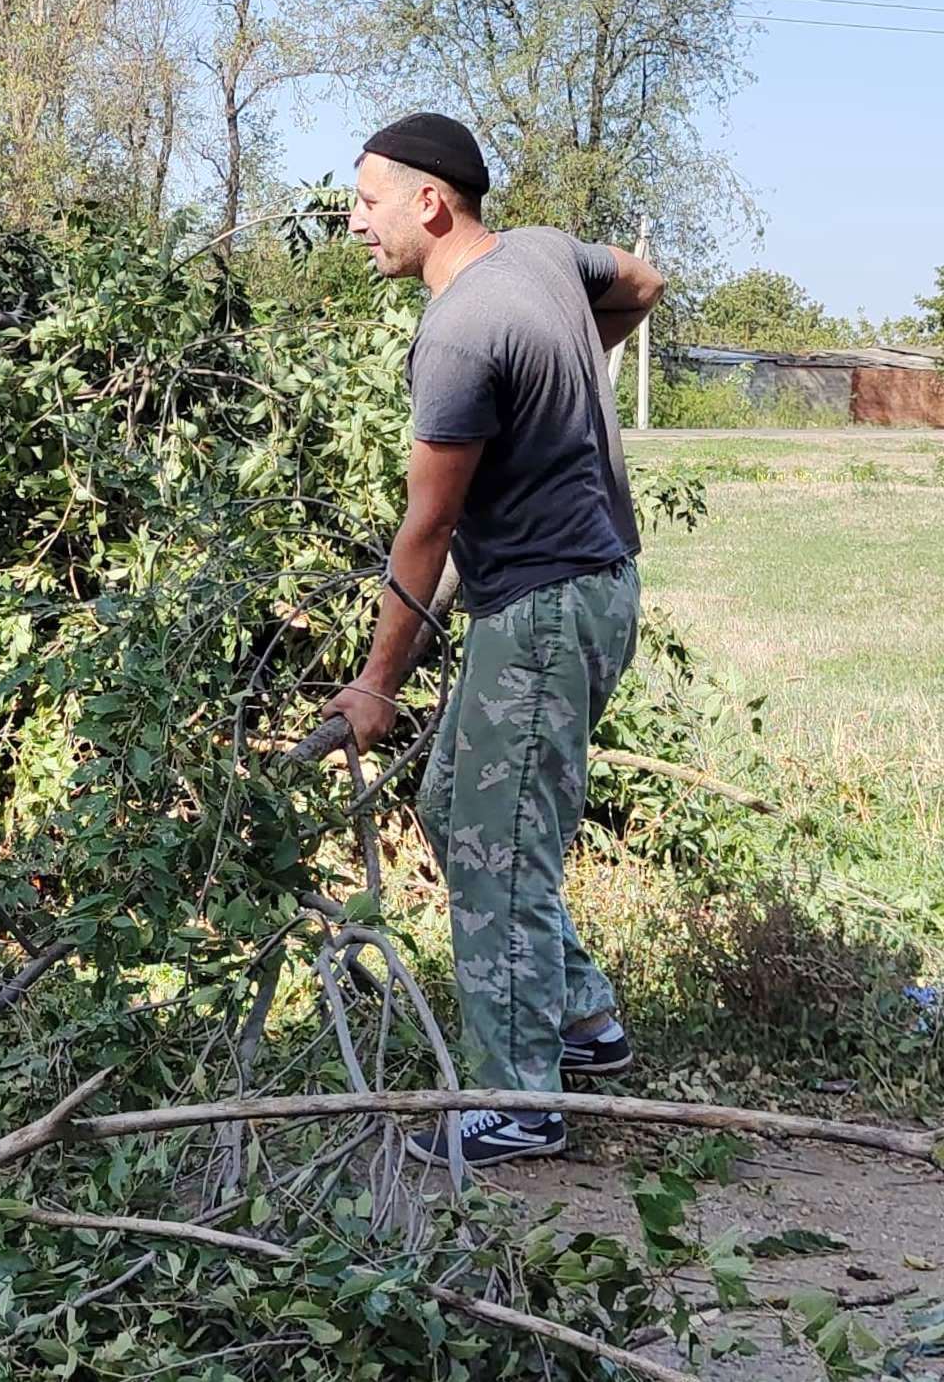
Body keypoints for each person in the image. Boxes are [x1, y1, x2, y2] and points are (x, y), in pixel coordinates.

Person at [325, 112, 665, 1170]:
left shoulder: (463, 331)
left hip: (543, 608)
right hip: (591, 590)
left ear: (430, 202)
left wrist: (376, 685)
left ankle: (517, 1100)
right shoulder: (541, 253)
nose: (355, 225)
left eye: (368, 202)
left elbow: (425, 528)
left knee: (498, 840)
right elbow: (643, 282)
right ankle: (579, 1018)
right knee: (454, 806)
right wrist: (559, 383)